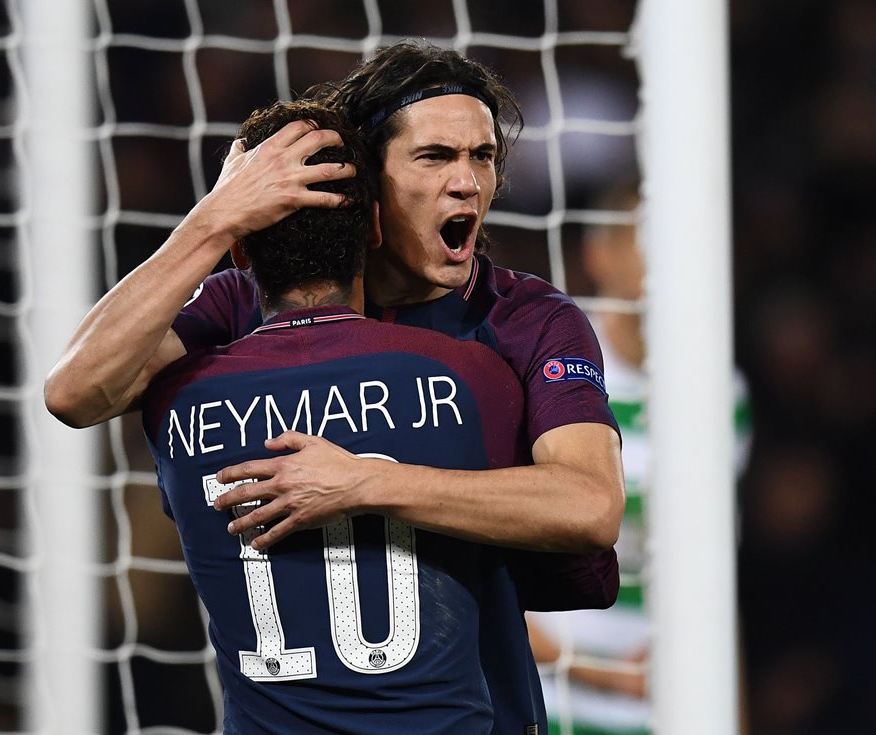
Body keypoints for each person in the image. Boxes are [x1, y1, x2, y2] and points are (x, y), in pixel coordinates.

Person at [45, 40, 625, 732]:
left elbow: (591, 505)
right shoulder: (246, 302)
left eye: (483, 156)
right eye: (435, 156)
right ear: (368, 184)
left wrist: (364, 482)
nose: (468, 182)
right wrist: (215, 218)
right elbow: (77, 391)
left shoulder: (527, 320)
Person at [144, 98, 544, 733]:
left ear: (240, 252)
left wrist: (211, 221)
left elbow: (76, 393)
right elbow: (562, 553)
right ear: (375, 229)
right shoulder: (470, 376)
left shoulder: (176, 397)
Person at [525, 183, 752, 735]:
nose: (674, 260)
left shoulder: (722, 391)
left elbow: (715, 573)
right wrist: (596, 672)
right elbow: (480, 562)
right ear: (599, 255)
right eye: (652, 240)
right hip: (547, 702)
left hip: (666, 709)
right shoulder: (542, 360)